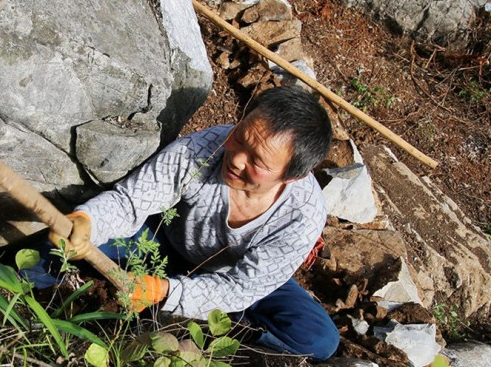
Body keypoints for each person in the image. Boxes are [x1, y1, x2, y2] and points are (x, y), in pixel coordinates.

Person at [25, 85, 339, 361]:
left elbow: (241, 287)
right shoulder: (201, 150)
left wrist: (165, 291)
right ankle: (6, 298)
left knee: (318, 340)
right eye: (240, 137)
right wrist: (88, 221)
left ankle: (221, 336)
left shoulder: (302, 214)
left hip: (243, 279)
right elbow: (130, 202)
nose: (238, 158)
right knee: (57, 247)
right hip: (168, 244)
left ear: (292, 176)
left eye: (257, 161)